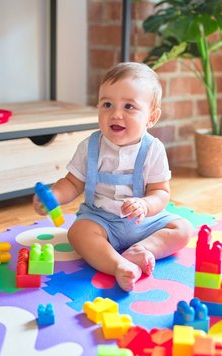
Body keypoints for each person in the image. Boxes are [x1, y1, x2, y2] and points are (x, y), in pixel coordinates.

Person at [33, 62, 193, 291]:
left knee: (184, 228)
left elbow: (161, 192)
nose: (115, 114)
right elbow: (72, 182)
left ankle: (143, 249)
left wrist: (145, 205)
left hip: (143, 221)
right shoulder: (90, 146)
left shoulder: (153, 149)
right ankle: (118, 265)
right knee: (78, 233)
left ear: (151, 118)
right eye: (107, 104)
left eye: (129, 106)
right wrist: (53, 197)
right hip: (101, 220)